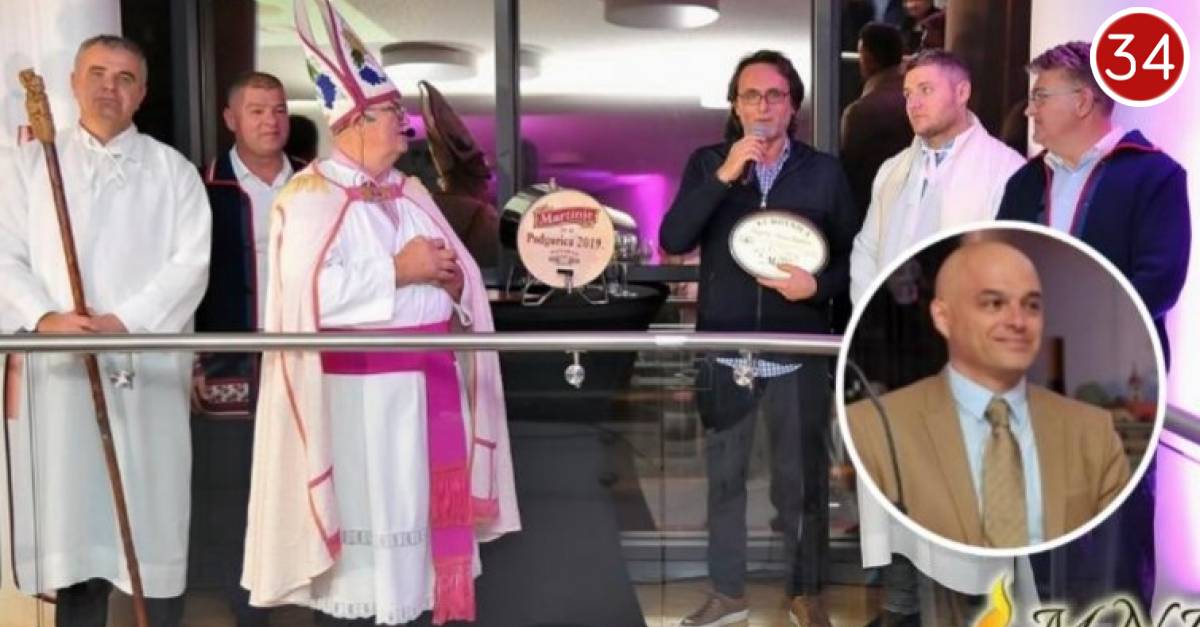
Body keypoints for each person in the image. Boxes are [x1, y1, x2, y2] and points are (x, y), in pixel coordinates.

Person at [240, 1, 519, 625]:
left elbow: (457, 278)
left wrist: (452, 283)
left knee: (418, 555)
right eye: (395, 114)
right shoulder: (308, 197)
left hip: (428, 394)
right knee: (370, 552)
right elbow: (305, 296)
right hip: (359, 403)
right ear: (357, 120)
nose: (407, 127)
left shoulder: (412, 192)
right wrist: (400, 270)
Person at [0, 34, 212, 627]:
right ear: (73, 82)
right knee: (75, 522)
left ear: (141, 93)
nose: (108, 88)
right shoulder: (28, 167)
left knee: (150, 516)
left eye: (124, 78)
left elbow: (190, 263)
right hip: (61, 371)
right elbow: (4, 254)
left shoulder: (173, 173)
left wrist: (123, 323)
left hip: (146, 371)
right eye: (97, 73)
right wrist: (47, 318)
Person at [659, 49, 860, 627]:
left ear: (793, 106)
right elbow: (674, 238)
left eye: (775, 95)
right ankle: (728, 595)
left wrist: (817, 287)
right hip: (725, 355)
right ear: (735, 106)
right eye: (751, 95)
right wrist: (724, 176)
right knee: (724, 484)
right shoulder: (708, 163)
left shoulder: (823, 172)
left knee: (801, 486)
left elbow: (854, 258)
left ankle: (806, 594)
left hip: (798, 354)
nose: (763, 106)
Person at [997, 40, 1190, 615]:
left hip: (1116, 390)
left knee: (1113, 545)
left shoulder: (1153, 175)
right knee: (1047, 540)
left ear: (1083, 101)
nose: (1029, 110)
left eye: (1041, 96)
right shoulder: (1024, 182)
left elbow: (1159, 281)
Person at [846, 240, 1131, 549]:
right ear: (943, 317)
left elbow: (1116, 554)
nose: (1018, 322)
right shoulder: (873, 428)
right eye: (994, 304)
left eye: (1031, 306)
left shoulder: (1093, 433)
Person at [190, 70, 306, 627]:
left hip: (305, 361)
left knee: (301, 477)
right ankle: (242, 605)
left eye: (279, 109)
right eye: (257, 110)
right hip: (228, 361)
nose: (270, 121)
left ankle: (301, 593)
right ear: (230, 118)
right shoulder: (200, 187)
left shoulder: (314, 184)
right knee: (232, 485)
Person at [849, 49, 1024, 304]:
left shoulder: (1007, 169)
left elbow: (1008, 261)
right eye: (908, 94)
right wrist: (871, 314)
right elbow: (867, 250)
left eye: (926, 90)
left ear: (962, 93)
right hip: (892, 319)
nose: (914, 104)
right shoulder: (892, 169)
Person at [840, 22, 912, 216]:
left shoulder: (860, 113)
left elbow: (850, 174)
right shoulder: (915, 100)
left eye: (860, 53)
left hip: (872, 211)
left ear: (868, 58)